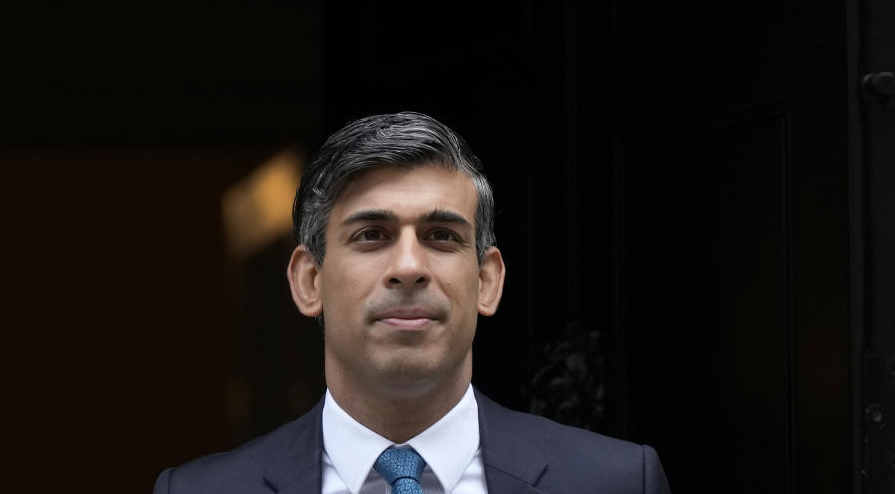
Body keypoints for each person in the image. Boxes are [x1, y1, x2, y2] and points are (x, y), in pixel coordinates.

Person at [154, 111, 672, 494]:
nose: (408, 266)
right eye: (372, 235)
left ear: (488, 281)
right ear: (309, 281)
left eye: (442, 235)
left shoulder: (617, 482)